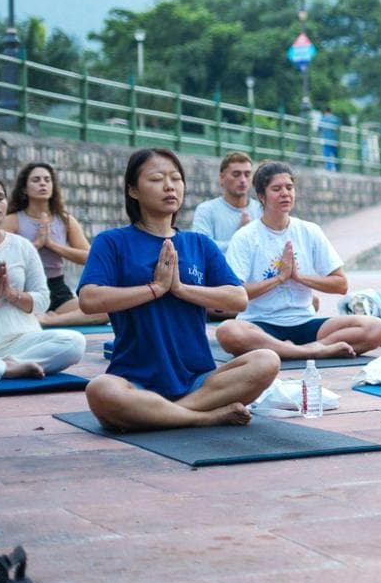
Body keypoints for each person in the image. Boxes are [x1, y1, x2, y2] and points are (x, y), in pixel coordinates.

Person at [78, 149, 277, 431]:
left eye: (176, 178)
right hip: (134, 379)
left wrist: (180, 289)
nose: (169, 186)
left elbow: (237, 298)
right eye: (157, 179)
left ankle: (162, 414)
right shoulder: (112, 242)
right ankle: (205, 417)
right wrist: (155, 288)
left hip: (198, 380)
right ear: (133, 190)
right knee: (100, 390)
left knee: (266, 361)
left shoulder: (199, 244)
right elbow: (88, 299)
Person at [217, 162, 381, 360]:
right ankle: (311, 351)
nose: (285, 194)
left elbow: (341, 284)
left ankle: (302, 349)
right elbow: (235, 295)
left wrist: (299, 277)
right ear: (262, 196)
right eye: (276, 189)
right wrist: (279, 279)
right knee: (228, 332)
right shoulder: (245, 237)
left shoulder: (309, 231)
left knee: (377, 328)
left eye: (289, 188)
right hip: (259, 324)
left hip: (304, 321)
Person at [0, 174, 85, 383]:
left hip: (19, 339)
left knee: (74, 343)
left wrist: (11, 294)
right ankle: (4, 368)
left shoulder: (22, 246)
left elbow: (42, 300)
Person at [3, 161, 102, 328]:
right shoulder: (12, 220)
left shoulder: (65, 220)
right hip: (25, 289)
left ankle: (49, 320)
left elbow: (89, 257)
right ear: (24, 188)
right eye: (36, 180)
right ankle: (38, 317)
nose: (43, 183)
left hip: (57, 289)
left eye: (47, 180)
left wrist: (53, 245)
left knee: (104, 309)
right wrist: (37, 244)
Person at [189, 152, 263, 250]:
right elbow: (201, 248)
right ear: (222, 177)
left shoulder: (261, 210)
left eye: (247, 174)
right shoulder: (206, 210)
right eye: (236, 174)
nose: (243, 180)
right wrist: (240, 239)